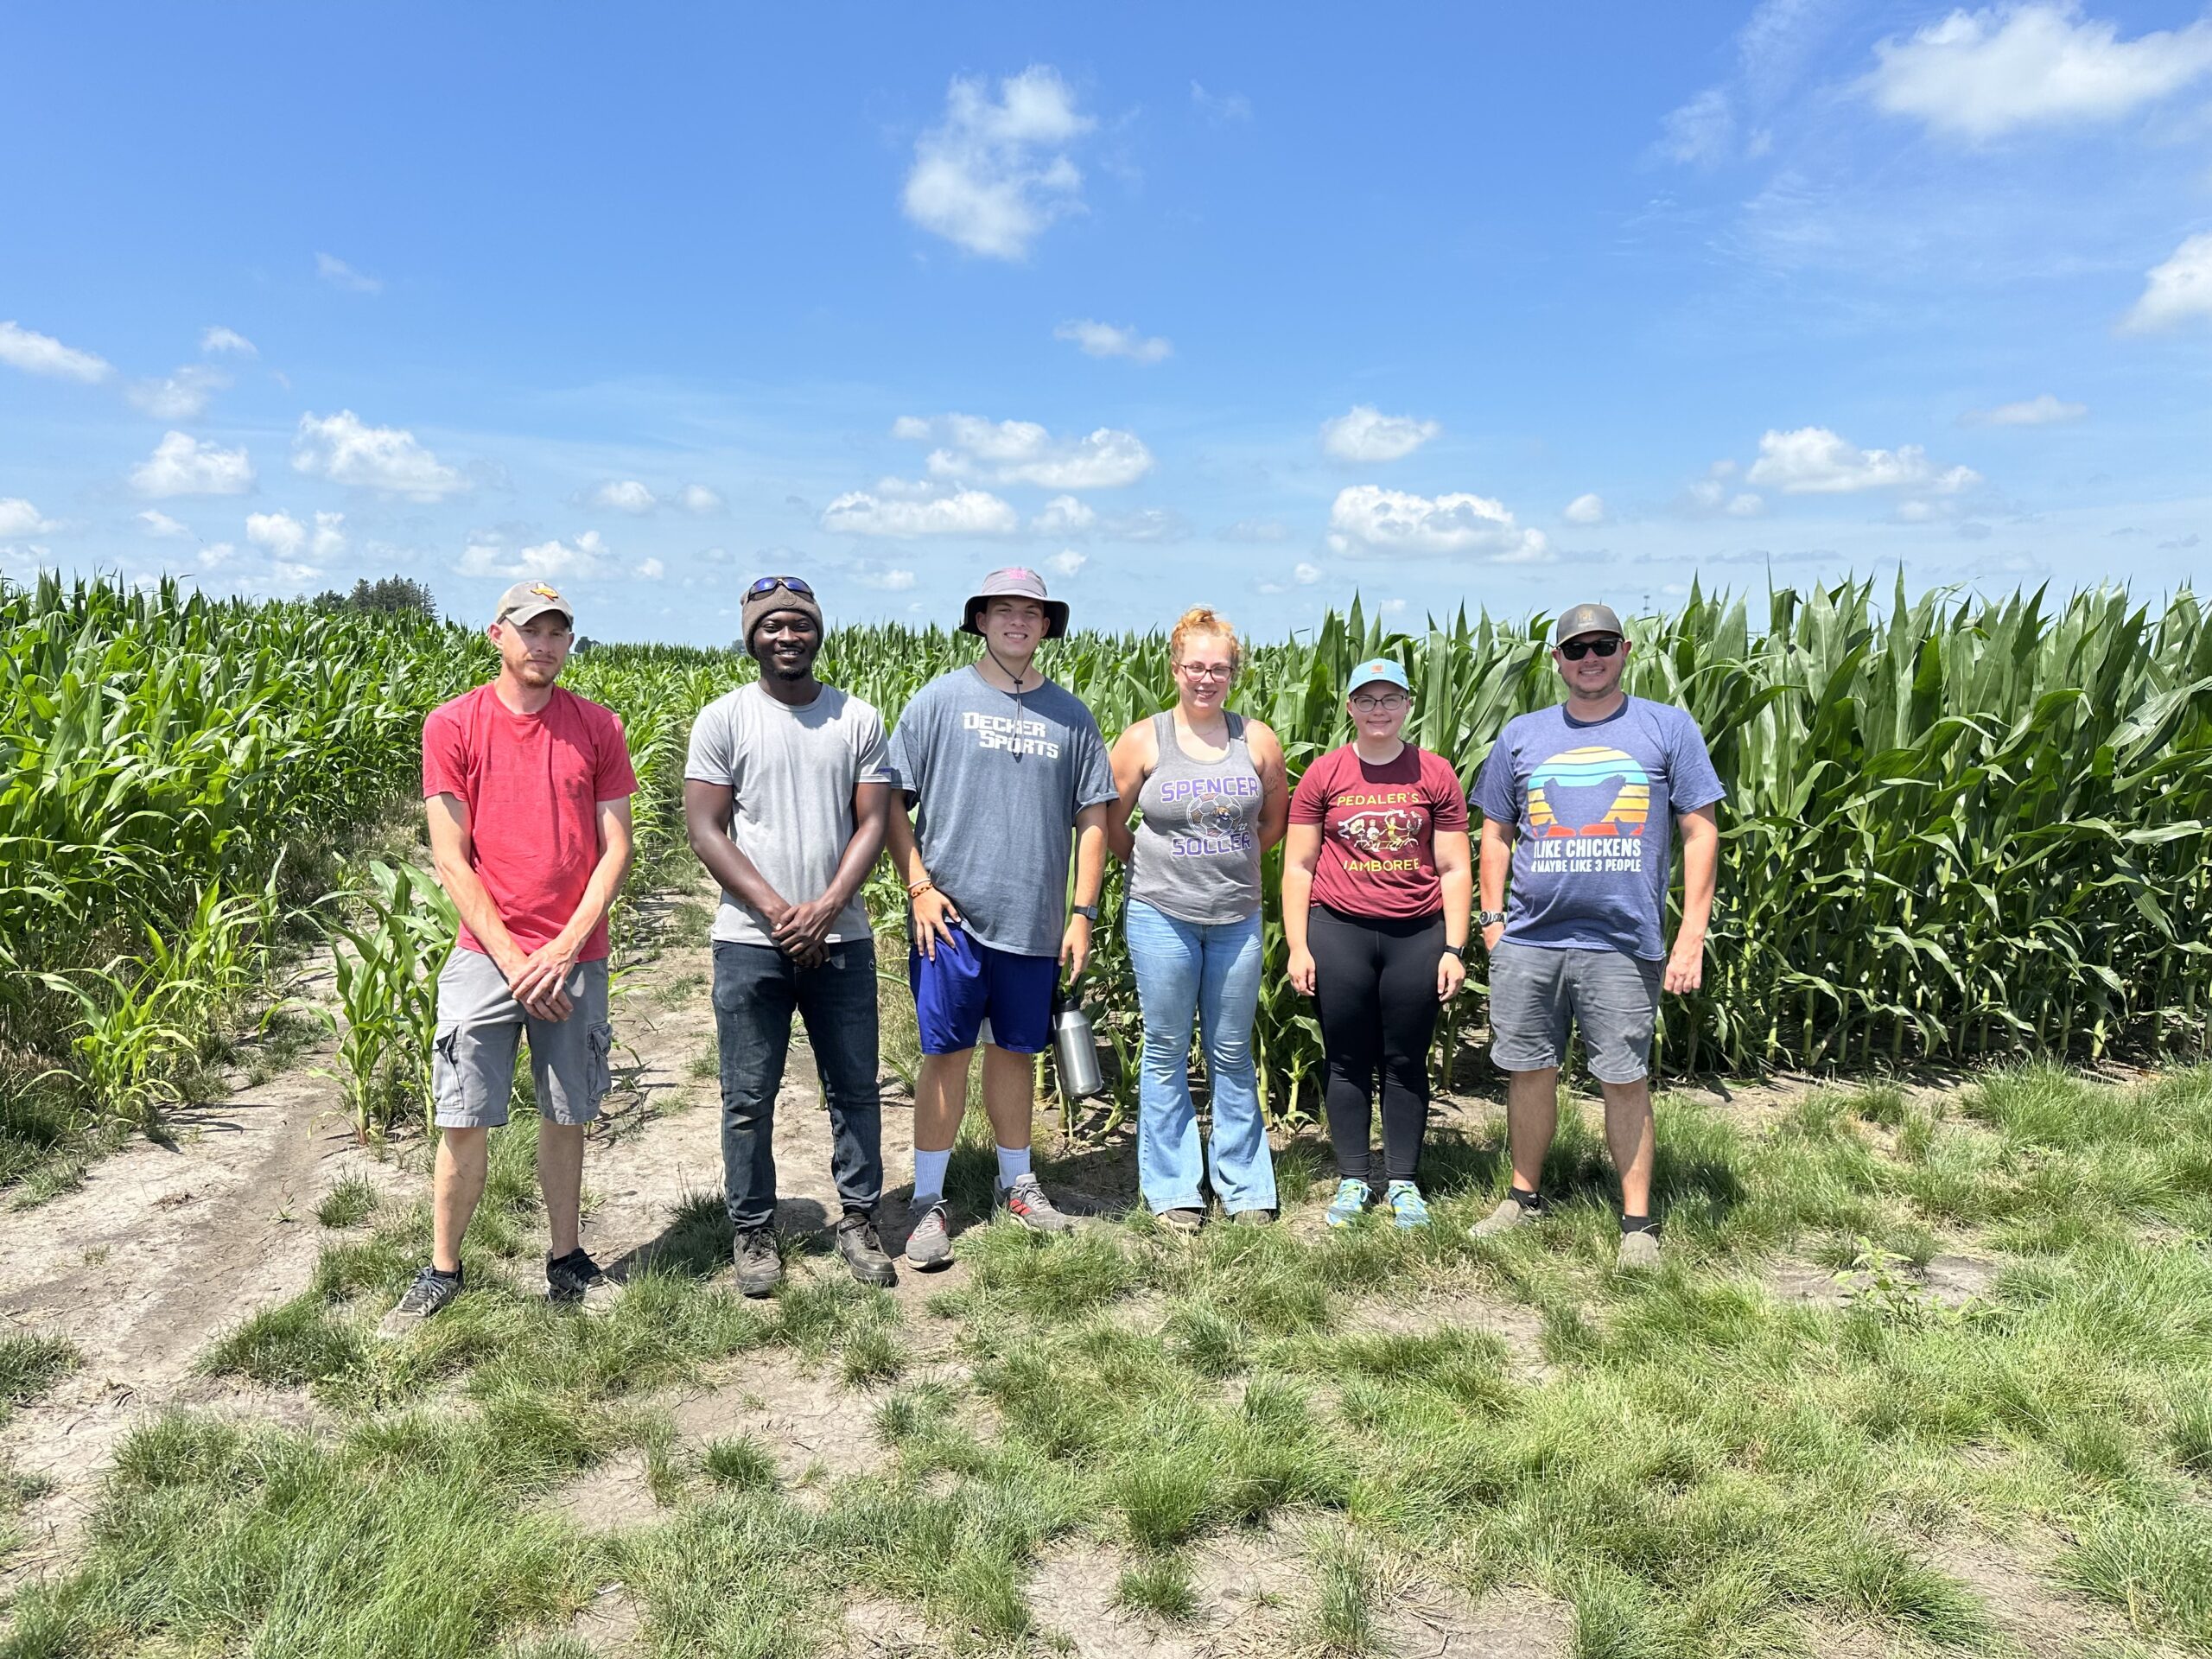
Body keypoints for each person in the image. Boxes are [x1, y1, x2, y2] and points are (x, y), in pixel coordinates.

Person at [383, 581, 637, 1336]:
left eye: (559, 632)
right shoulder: (453, 725)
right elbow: (451, 858)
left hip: (573, 956)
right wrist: (515, 957)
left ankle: (566, 1261)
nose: (545, 645)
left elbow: (616, 847)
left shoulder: (597, 726)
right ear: (497, 634)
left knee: (567, 1114)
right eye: (531, 630)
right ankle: (443, 1269)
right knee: (463, 1115)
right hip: (485, 956)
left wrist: (560, 951)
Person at [1469, 602, 1722, 1268]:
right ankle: (1523, 1198)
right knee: (1528, 1070)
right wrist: (1492, 920)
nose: (1590, 659)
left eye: (1602, 646)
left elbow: (1701, 830)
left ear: (1625, 650)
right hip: (1529, 939)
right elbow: (1494, 832)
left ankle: (1638, 1223)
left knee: (1623, 1076)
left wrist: (1691, 934)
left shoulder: (1667, 727)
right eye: (1576, 649)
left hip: (1623, 939)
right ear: (1557, 660)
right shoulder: (1522, 735)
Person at [884, 567, 1117, 1268]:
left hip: (1035, 917)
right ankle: (928, 1199)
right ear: (981, 620)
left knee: (1018, 1050)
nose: (1018, 620)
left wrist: (1082, 912)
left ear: (1047, 627)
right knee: (946, 1052)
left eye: (1032, 611)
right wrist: (919, 886)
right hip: (949, 918)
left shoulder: (1072, 716)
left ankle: (1017, 1183)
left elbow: (1094, 818)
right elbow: (892, 799)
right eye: (1003, 609)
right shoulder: (939, 701)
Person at [683, 576, 897, 1296]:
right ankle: (752, 1228)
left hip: (843, 939)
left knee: (854, 1089)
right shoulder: (724, 719)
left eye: (799, 624)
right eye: (772, 625)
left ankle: (861, 1218)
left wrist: (828, 907)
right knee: (748, 1096)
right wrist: (781, 911)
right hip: (749, 941)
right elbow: (706, 829)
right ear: (752, 636)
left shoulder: (858, 719)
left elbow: (872, 821)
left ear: (817, 634)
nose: (786, 636)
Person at [1106, 607, 1290, 1232]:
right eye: (1195, 667)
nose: (1206, 678)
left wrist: (1225, 866)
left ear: (1234, 672)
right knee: (1164, 1050)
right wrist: (1155, 866)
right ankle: (1174, 1187)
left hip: (1236, 916)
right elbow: (1109, 821)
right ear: (1175, 668)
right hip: (1161, 915)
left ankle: (1244, 1186)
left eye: (1219, 668)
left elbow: (1273, 824)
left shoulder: (1257, 740)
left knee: (1232, 1050)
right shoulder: (1143, 739)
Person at [1282, 658, 1472, 1229]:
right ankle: (1353, 1178)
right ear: (1350, 707)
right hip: (1338, 930)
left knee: (1404, 1058)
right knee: (1345, 1059)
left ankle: (1404, 1182)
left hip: (1417, 932)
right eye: (1367, 700)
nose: (1379, 710)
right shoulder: (1324, 774)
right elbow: (1298, 865)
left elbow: (1454, 868)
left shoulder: (1434, 774)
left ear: (1409, 705)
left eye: (1390, 699)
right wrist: (1299, 946)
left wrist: (1454, 948)